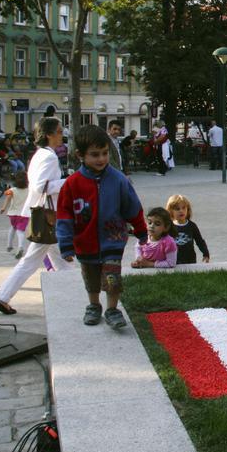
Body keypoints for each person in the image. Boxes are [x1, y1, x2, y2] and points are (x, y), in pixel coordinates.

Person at [56, 125, 148, 329]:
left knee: (113, 276)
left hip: (113, 239)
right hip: (84, 241)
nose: (101, 159)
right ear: (80, 155)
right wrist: (66, 244)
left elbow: (133, 208)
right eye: (94, 155)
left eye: (105, 153)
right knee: (91, 276)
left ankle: (112, 309)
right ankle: (94, 305)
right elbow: (64, 216)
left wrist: (141, 231)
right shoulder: (72, 184)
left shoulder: (119, 180)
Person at [0, 118, 74, 315]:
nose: (62, 134)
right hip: (46, 213)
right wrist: (67, 182)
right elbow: (40, 185)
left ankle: (77, 291)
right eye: (59, 131)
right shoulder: (49, 156)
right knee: (34, 259)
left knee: (58, 258)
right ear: (49, 135)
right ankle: (3, 296)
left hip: (42, 212)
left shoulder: (42, 154)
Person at [166, 194, 210, 265]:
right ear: (171, 211)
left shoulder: (192, 226)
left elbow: (200, 241)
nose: (181, 211)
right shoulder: (169, 227)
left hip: (190, 260)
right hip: (174, 261)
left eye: (184, 208)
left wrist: (206, 253)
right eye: (177, 209)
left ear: (188, 209)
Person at [1, 171, 30, 259]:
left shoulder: (12, 190)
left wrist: (3, 208)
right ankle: (20, 246)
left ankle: (9, 245)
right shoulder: (29, 190)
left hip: (13, 214)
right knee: (20, 231)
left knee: (13, 228)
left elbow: (7, 198)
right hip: (24, 214)